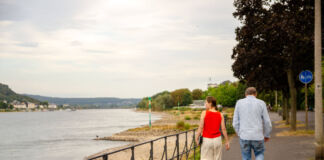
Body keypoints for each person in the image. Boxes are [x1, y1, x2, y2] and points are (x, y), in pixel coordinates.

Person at [232, 87, 272, 160]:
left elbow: (235, 122)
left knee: (246, 157)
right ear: (256, 94)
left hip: (244, 136)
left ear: (245, 94)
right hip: (258, 136)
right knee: (259, 154)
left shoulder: (239, 103)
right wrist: (267, 134)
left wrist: (239, 133)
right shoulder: (261, 103)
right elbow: (267, 122)